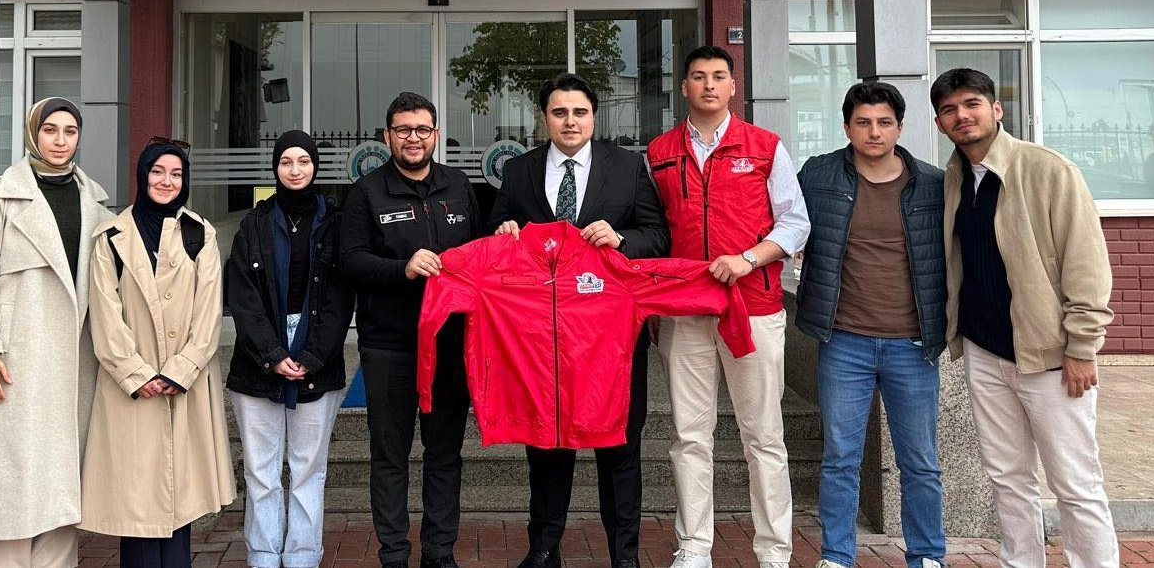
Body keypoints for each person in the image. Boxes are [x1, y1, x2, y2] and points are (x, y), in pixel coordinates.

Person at [931, 68, 1118, 568]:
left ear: (996, 109)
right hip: (984, 351)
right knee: (1007, 477)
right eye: (949, 110)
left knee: (1075, 482)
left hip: (1050, 356)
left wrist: (1082, 347)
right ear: (940, 122)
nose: (961, 116)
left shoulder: (1047, 170)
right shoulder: (954, 178)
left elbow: (1086, 264)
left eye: (971, 104)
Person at [489, 72, 670, 568]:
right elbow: (494, 232)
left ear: (594, 116)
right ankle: (544, 549)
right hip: (542, 340)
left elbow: (658, 236)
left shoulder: (627, 167)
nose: (570, 121)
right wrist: (504, 231)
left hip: (611, 340)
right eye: (560, 112)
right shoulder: (520, 171)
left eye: (580, 112)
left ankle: (624, 557)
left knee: (620, 448)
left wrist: (622, 239)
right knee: (547, 447)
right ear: (545, 118)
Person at [646, 46, 810, 568]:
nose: (709, 85)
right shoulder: (659, 152)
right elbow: (652, 229)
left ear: (733, 86)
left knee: (764, 435)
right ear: (684, 87)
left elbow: (796, 222)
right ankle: (694, 546)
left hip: (753, 305)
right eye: (699, 77)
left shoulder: (764, 146)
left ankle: (774, 550)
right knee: (689, 436)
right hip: (685, 310)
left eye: (719, 76)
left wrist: (748, 258)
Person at [0, 97, 109, 568]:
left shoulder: (95, 203)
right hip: (14, 358)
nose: (60, 141)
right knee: (9, 482)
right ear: (33, 134)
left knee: (61, 483)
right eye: (50, 130)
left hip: (75, 363)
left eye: (70, 131)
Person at [795, 82, 946, 568]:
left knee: (919, 461)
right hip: (844, 340)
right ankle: (837, 555)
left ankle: (927, 555)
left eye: (884, 122)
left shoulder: (933, 183)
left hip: (913, 343)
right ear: (847, 128)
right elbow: (779, 219)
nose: (874, 132)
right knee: (841, 457)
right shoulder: (817, 175)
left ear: (900, 127)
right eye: (863, 122)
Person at [339, 92, 482, 568]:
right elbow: (350, 261)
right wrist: (401, 267)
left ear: (435, 134)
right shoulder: (366, 192)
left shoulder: (459, 186)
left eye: (422, 129)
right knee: (390, 456)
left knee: (445, 455)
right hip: (389, 346)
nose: (413, 138)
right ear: (388, 136)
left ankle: (439, 553)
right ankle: (394, 555)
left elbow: (479, 256)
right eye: (403, 130)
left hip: (449, 344)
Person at [81, 138, 236, 568]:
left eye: (176, 174)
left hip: (184, 385)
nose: (167, 181)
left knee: (178, 497)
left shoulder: (199, 233)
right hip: (131, 388)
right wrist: (137, 373)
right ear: (142, 175)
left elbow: (209, 313)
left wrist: (179, 370)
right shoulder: (111, 238)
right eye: (158, 171)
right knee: (137, 499)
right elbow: (105, 315)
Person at [225, 130, 356, 568]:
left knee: (308, 471)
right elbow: (242, 296)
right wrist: (272, 354)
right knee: (261, 472)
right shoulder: (254, 223)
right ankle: (263, 556)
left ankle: (302, 556)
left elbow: (341, 297)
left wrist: (312, 356)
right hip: (257, 359)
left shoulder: (335, 223)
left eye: (303, 161)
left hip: (318, 358)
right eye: (286, 162)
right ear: (275, 167)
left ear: (315, 166)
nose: (295, 170)